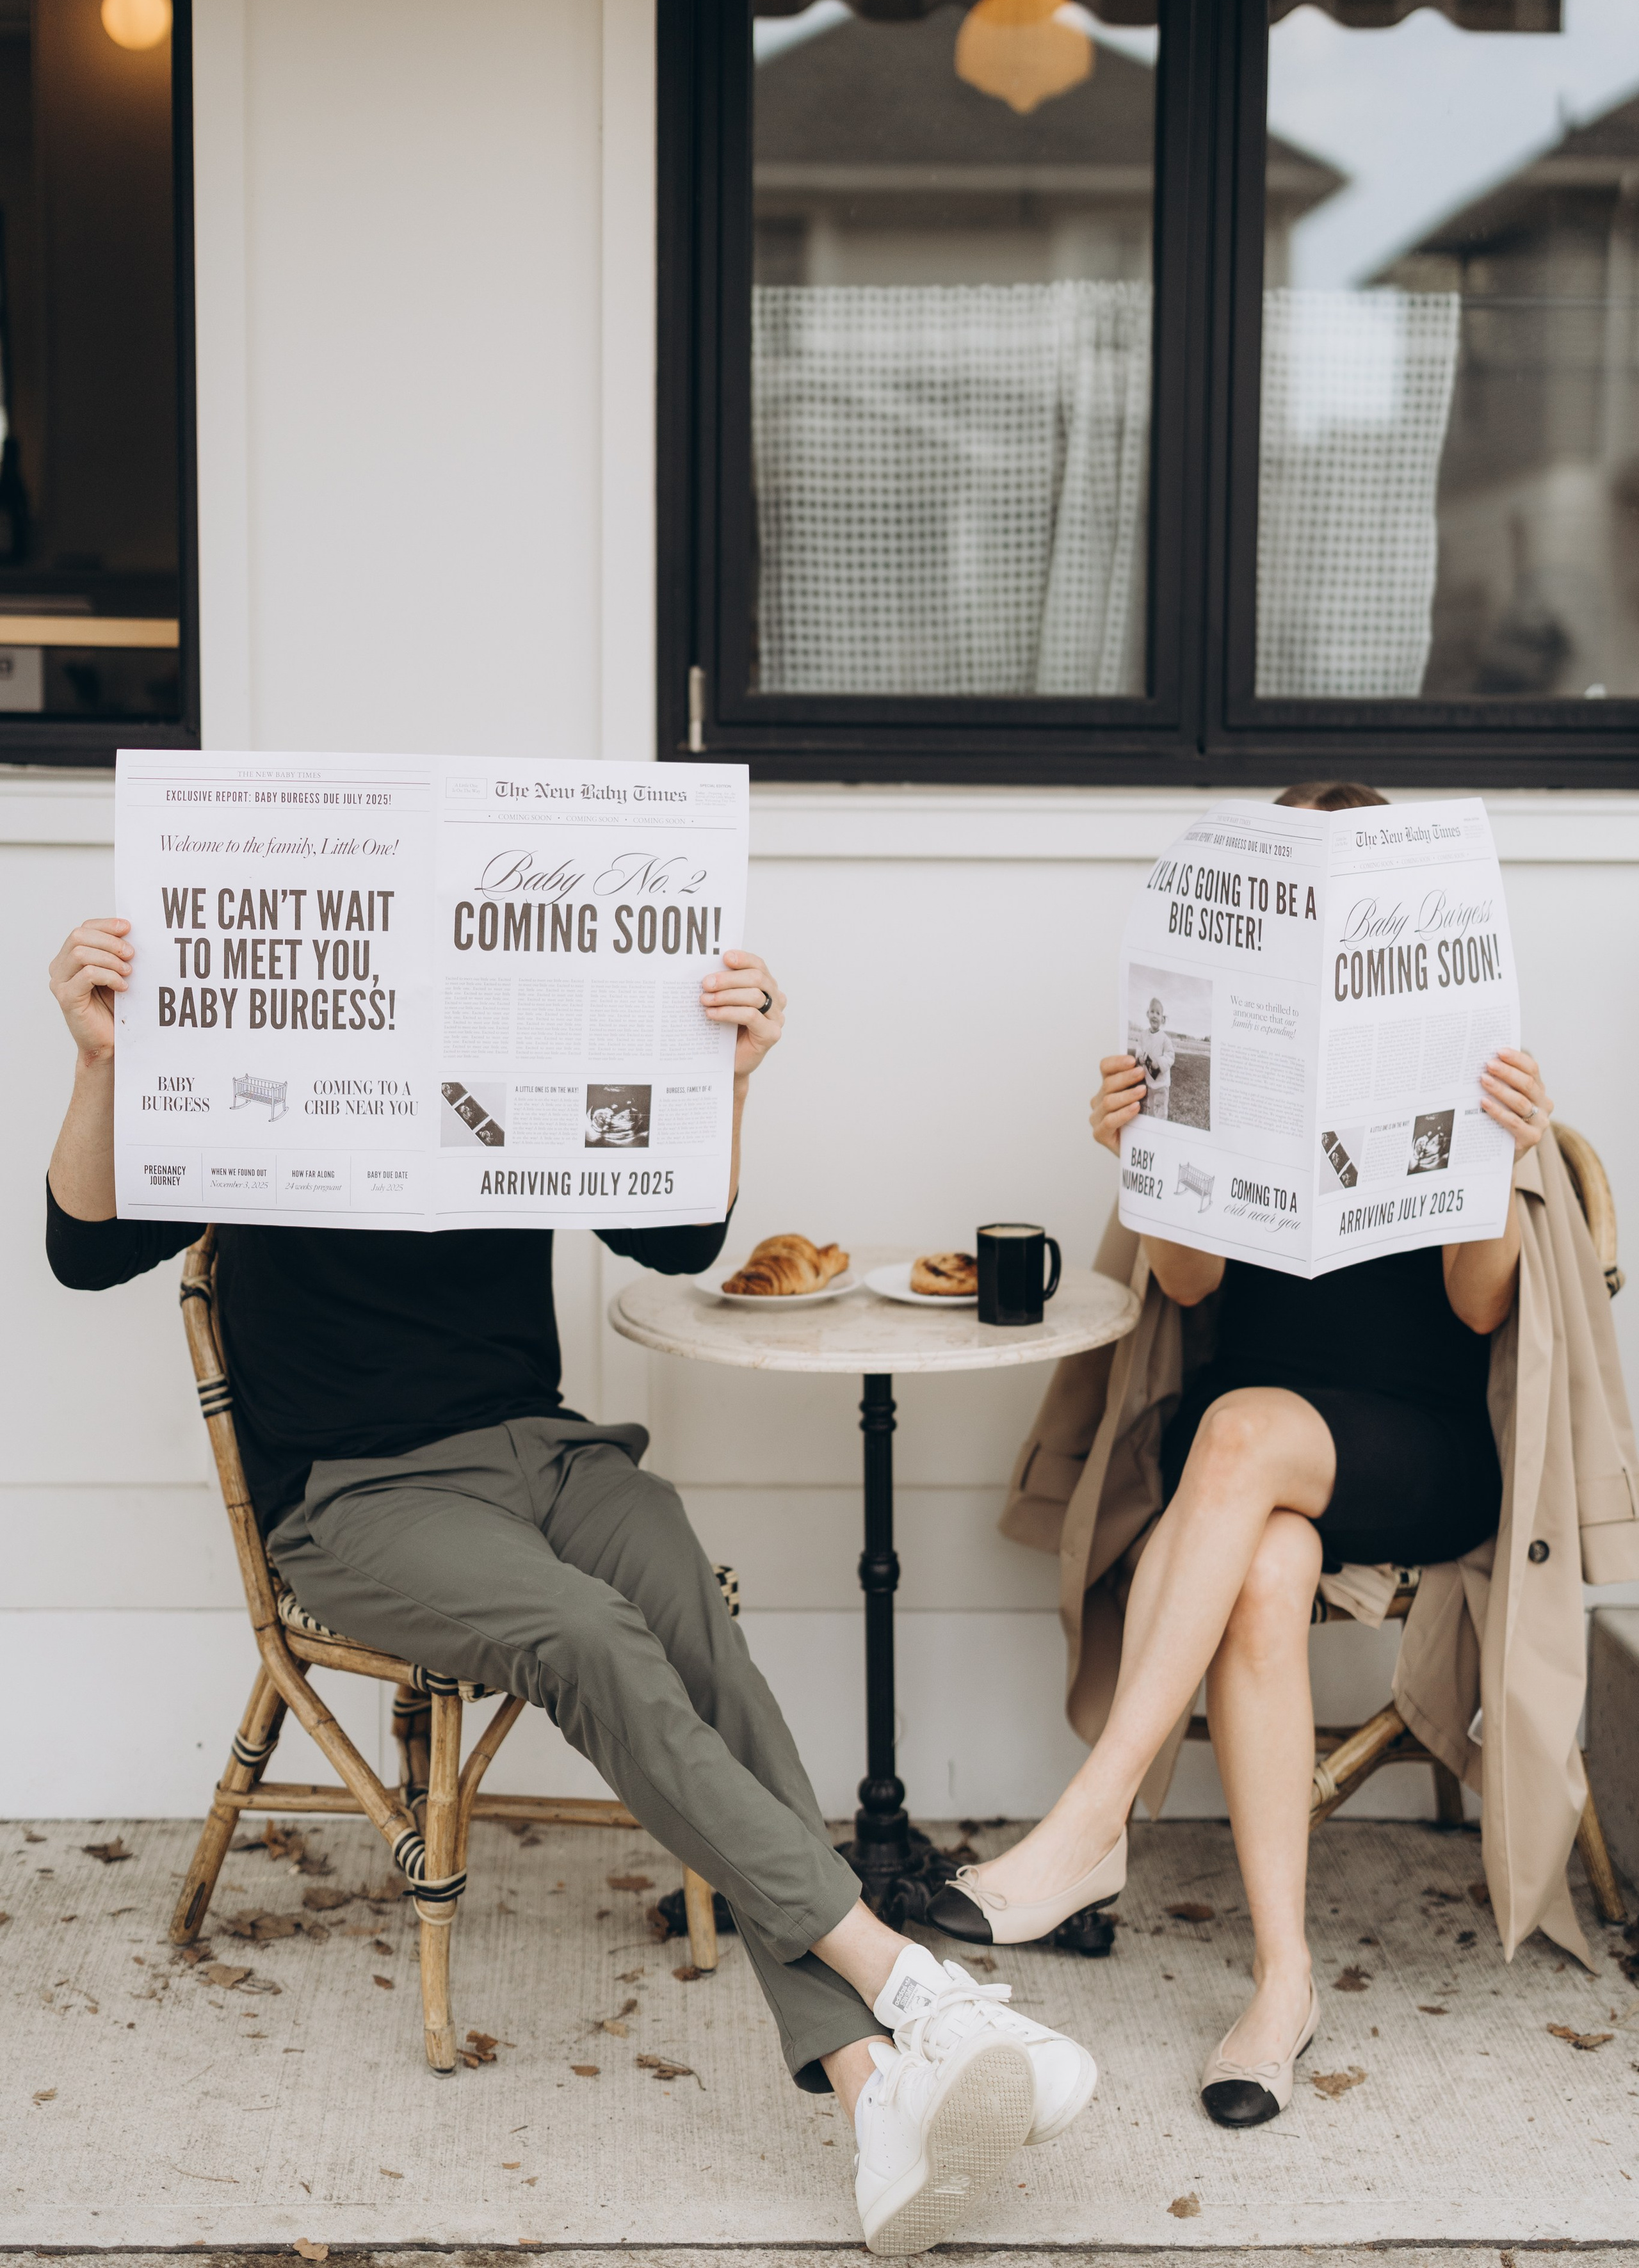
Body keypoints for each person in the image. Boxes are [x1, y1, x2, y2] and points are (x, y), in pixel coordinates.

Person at [45, 915, 1095, 2255]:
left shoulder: (504, 1043)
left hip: (546, 1453)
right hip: (357, 1495)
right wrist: (97, 1063)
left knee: (695, 1635)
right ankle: (907, 1985)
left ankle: (870, 2094)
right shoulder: (248, 1057)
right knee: (585, 1634)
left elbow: (670, 1237)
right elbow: (85, 1252)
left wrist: (728, 1070)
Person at [929, 780, 1555, 2130]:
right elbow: (1191, 1285)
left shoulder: (1457, 1050)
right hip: (1253, 1478)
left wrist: (1498, 1160)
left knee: (1239, 1426)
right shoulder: (1213, 1045)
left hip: (1416, 1447)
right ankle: (1281, 1987)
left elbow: (1479, 1308)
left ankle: (1089, 1824)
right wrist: (1152, 1150)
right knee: (1264, 1566)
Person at [1134, 997, 1175, 1123]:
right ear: (1148, 1014)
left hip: (1162, 1085)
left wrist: (1160, 1062)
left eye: (1158, 1013)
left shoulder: (1165, 1039)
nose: (1154, 1016)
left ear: (1162, 1019)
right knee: (1151, 1109)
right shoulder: (1143, 1035)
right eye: (1152, 1012)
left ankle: (1160, 1128)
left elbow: (1170, 1056)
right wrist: (1140, 1057)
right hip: (1150, 1083)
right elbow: (1140, 1048)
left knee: (1160, 1112)